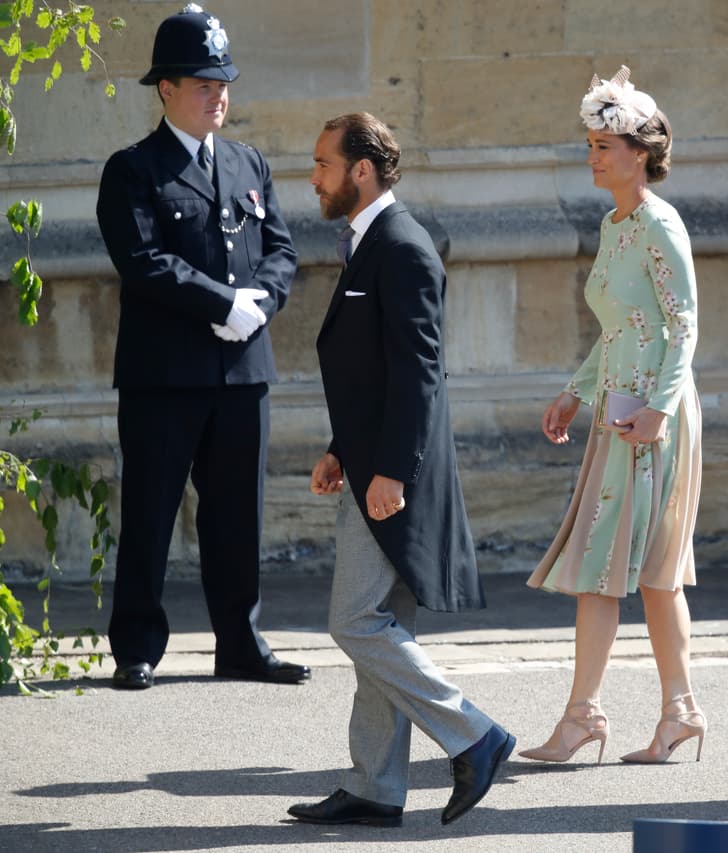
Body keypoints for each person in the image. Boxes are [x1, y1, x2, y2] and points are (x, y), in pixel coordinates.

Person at [288, 113, 513, 828]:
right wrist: (340, 447)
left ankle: (474, 734)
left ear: (360, 170)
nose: (313, 176)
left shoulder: (404, 247)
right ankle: (377, 785)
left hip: (394, 476)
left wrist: (389, 471)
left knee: (354, 621)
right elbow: (372, 371)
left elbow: (420, 372)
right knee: (382, 623)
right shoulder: (368, 243)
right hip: (371, 462)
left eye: (323, 163)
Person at [96, 4, 308, 690]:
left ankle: (240, 642)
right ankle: (136, 645)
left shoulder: (249, 162)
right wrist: (223, 303)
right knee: (152, 510)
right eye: (203, 84)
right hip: (166, 374)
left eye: (224, 83)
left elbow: (280, 249)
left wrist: (261, 305)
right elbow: (145, 261)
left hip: (242, 370)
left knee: (236, 513)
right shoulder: (134, 170)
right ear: (166, 89)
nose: (218, 95)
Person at [521, 67, 704, 766]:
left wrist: (657, 410)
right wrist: (576, 389)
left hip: (651, 418)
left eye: (604, 144)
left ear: (639, 153)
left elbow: (683, 326)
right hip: (618, 411)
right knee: (648, 573)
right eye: (591, 143)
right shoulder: (614, 223)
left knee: (620, 567)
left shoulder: (660, 224)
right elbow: (621, 327)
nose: (593, 155)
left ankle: (582, 718)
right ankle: (676, 711)